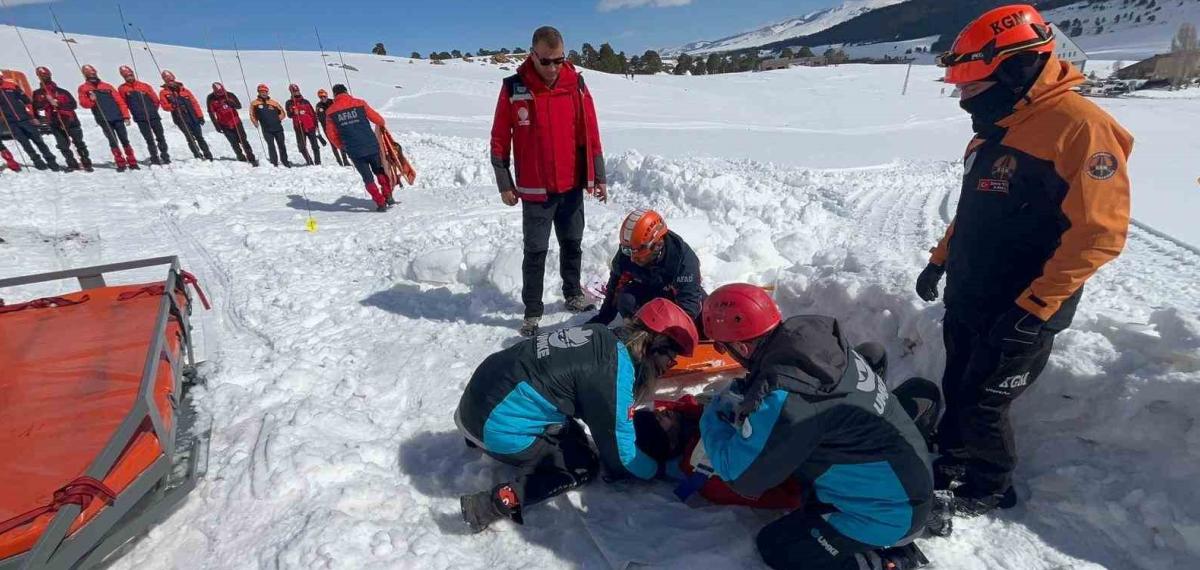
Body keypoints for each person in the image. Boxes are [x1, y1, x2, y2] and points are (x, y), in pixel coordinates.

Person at [919, 3, 1133, 516]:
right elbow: (974, 211)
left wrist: (1036, 307)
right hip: (971, 291)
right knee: (958, 382)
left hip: (1024, 305)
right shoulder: (995, 130)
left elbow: (1099, 234)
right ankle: (952, 458)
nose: (965, 100)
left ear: (1015, 71)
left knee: (985, 401)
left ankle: (989, 487)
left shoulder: (1081, 128)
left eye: (973, 87)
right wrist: (940, 260)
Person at [698, 284, 933, 570]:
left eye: (723, 347)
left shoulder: (788, 399)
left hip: (889, 513)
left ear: (742, 347)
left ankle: (877, 560)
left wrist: (711, 419)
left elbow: (742, 477)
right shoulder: (814, 340)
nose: (724, 352)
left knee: (777, 546)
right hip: (908, 475)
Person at [455, 298, 700, 533]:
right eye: (670, 358)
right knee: (581, 464)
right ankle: (494, 504)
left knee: (572, 437)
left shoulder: (602, 335)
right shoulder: (613, 371)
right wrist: (656, 470)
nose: (667, 367)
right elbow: (622, 457)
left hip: (479, 397)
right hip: (490, 424)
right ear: (655, 344)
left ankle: (484, 437)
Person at [490, 26, 607, 337]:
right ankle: (532, 311)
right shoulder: (514, 88)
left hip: (571, 185)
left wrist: (599, 175)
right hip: (535, 190)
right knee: (535, 251)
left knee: (572, 244)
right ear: (533, 55)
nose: (553, 68)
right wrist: (504, 181)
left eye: (559, 60)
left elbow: (591, 132)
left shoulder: (576, 85)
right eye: (546, 61)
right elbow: (500, 137)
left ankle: (573, 293)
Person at [588, 209, 705, 329]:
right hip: (648, 291)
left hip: (675, 300)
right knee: (625, 300)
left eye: (638, 251)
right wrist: (602, 319)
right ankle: (639, 327)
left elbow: (688, 307)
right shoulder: (629, 249)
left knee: (702, 318)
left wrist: (667, 334)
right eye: (628, 251)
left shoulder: (683, 261)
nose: (632, 259)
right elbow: (614, 287)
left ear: (657, 245)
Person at [322, 84, 394, 211]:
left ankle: (380, 202)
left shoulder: (330, 112)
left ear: (334, 95)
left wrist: (342, 146)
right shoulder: (360, 103)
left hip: (354, 150)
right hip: (371, 145)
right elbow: (379, 120)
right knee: (379, 171)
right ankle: (388, 195)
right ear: (346, 91)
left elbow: (331, 135)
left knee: (367, 178)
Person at [77, 64, 138, 171]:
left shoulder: (107, 86)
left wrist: (126, 116)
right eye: (90, 75)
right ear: (85, 75)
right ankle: (120, 163)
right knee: (113, 141)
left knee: (124, 140)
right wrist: (91, 100)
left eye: (93, 74)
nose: (93, 76)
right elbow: (84, 104)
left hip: (117, 117)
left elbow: (120, 101)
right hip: (103, 119)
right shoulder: (83, 88)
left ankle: (132, 161)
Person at [30, 66, 91, 172]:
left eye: (45, 74)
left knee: (79, 143)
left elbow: (73, 105)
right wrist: (46, 102)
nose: (44, 77)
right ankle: (71, 164)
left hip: (71, 121)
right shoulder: (38, 93)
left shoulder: (62, 91)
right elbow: (36, 107)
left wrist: (58, 104)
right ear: (38, 77)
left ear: (50, 75)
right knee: (63, 145)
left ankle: (86, 163)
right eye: (41, 75)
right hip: (55, 122)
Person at [0, 74, 60, 171]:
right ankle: (37, 161)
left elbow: (26, 100)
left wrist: (31, 115)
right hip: (11, 122)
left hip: (25, 119)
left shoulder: (11, 86)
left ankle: (51, 160)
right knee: (25, 143)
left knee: (38, 140)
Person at [118, 65, 169, 165]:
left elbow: (155, 100)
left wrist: (152, 110)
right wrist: (128, 115)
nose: (129, 77)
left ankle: (165, 156)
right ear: (124, 77)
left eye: (130, 75)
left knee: (160, 136)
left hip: (153, 116)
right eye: (127, 76)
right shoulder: (122, 89)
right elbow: (123, 103)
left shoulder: (144, 85)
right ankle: (154, 158)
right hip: (140, 118)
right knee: (149, 139)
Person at [158, 70, 213, 161]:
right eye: (166, 79)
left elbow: (194, 103)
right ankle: (198, 155)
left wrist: (200, 116)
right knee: (190, 138)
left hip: (193, 117)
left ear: (174, 78)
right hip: (180, 118)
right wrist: (173, 106)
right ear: (164, 80)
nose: (169, 80)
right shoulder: (164, 92)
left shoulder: (185, 90)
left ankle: (208, 155)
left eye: (170, 78)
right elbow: (164, 106)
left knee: (199, 137)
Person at [206, 82, 258, 166]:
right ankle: (241, 157)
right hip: (224, 124)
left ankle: (251, 157)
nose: (220, 94)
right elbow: (211, 113)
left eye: (221, 92)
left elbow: (239, 106)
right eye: (218, 93)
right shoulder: (210, 98)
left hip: (236, 122)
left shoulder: (230, 95)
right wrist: (216, 125)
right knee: (234, 142)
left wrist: (232, 103)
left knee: (243, 140)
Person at [249, 84, 291, 167]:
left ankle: (285, 161)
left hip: (278, 128)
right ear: (258, 92)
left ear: (267, 92)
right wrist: (255, 122)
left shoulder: (274, 102)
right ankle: (274, 162)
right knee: (271, 146)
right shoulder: (254, 103)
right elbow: (252, 114)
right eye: (261, 91)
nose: (263, 93)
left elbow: (282, 112)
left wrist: (278, 119)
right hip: (266, 129)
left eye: (265, 91)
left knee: (281, 145)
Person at [284, 83, 321, 166]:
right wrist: (293, 112)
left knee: (315, 146)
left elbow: (313, 114)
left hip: (310, 126)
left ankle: (318, 162)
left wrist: (316, 125)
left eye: (297, 90)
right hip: (299, 127)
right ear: (291, 92)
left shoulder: (305, 101)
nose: (296, 92)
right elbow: (289, 115)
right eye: (294, 91)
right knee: (301, 147)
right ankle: (309, 162)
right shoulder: (289, 103)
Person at [314, 88, 348, 167]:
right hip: (327, 127)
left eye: (324, 96)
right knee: (333, 144)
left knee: (341, 142)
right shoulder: (319, 106)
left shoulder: (333, 101)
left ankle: (345, 160)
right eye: (321, 97)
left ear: (326, 95)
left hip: (337, 125)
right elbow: (318, 117)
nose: (323, 98)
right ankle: (339, 161)